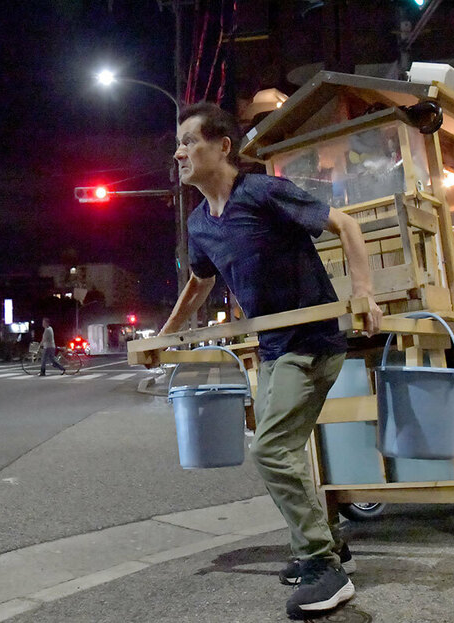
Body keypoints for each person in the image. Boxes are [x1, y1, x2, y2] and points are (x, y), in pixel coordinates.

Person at [160, 101, 382, 619]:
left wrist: (365, 294)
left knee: (271, 450)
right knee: (283, 449)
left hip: (311, 344)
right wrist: (162, 339)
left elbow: (346, 225)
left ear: (222, 147)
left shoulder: (261, 192)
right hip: (275, 349)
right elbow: (200, 282)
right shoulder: (199, 224)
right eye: (178, 143)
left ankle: (325, 566)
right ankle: (323, 547)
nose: (180, 153)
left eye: (190, 141)